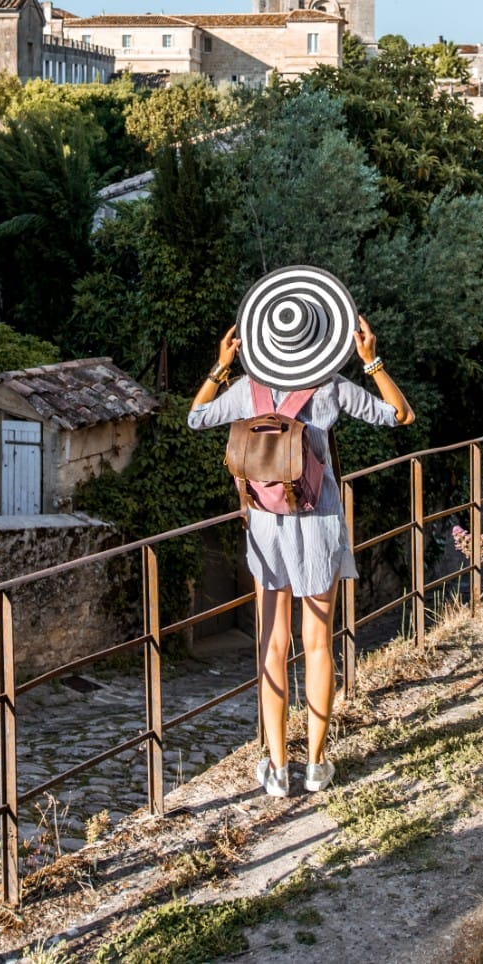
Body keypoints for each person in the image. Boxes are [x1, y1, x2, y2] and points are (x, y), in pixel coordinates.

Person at [187, 314, 413, 796]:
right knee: (317, 645)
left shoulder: (246, 389)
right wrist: (370, 360)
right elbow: (400, 415)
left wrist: (220, 368)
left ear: (265, 344)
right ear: (317, 345)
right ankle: (314, 764)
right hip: (319, 522)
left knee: (271, 645)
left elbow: (196, 416)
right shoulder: (329, 387)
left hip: (266, 526)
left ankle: (274, 767)